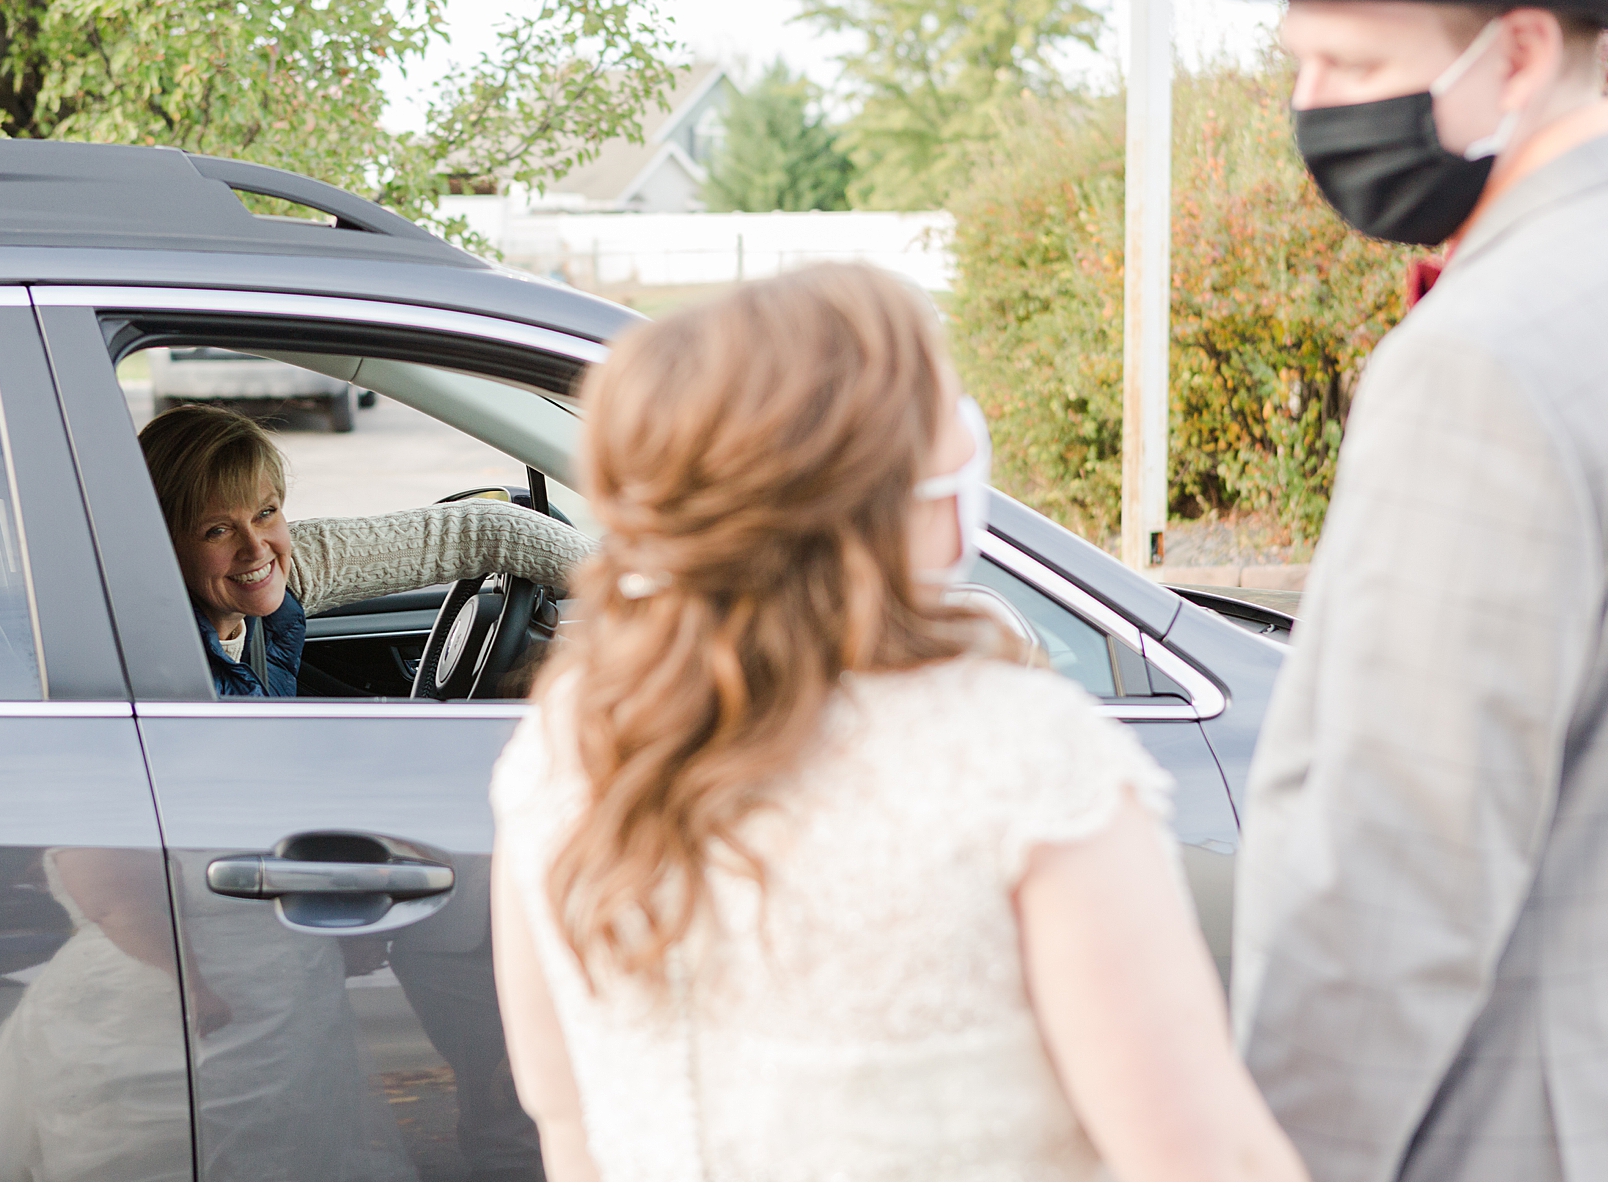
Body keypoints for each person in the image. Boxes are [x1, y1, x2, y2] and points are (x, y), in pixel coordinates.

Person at [488, 264, 1306, 1180]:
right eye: (943, 400)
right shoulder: (1022, 756)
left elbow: (567, 1124)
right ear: (872, 482)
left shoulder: (572, 744)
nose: (965, 431)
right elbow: (1200, 1156)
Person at [1217, 0, 1608, 1181]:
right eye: (1300, 65)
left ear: (1521, 47)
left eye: (1352, 61)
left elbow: (1392, 876)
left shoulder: (1488, 355)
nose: (1313, 110)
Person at [136, 403, 592, 697]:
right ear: (160, 540)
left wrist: (642, 594)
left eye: (266, 512)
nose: (256, 548)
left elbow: (479, 532)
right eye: (217, 531)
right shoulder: (152, 663)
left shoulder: (285, 569)